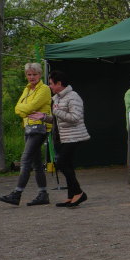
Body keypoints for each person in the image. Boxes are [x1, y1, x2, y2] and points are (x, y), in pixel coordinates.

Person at [32, 70, 90, 208]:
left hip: (74, 136)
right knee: (67, 165)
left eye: (51, 83)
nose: (50, 86)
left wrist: (56, 111)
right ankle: (71, 196)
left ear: (59, 83)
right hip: (63, 137)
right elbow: (58, 119)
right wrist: (44, 117)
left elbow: (75, 118)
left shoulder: (73, 97)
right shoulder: (57, 98)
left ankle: (79, 193)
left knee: (62, 163)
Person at [0, 63, 52, 206]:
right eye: (29, 74)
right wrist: (24, 110)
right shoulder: (27, 89)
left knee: (25, 159)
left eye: (34, 74)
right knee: (37, 163)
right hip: (28, 128)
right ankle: (43, 194)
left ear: (40, 75)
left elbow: (31, 107)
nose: (31, 77)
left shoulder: (45, 89)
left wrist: (24, 109)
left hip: (40, 128)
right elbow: (18, 108)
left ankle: (16, 194)